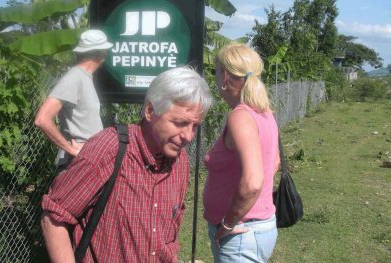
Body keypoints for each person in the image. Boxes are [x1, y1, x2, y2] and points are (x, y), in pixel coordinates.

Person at [40, 66, 212, 263]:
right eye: (179, 123)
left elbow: (169, 234)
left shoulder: (180, 163)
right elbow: (54, 216)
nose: (188, 136)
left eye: (195, 126)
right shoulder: (110, 149)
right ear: (149, 111)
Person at [203, 43, 280, 262]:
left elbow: (254, 182)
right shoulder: (264, 113)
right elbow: (272, 163)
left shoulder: (241, 117)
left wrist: (228, 223)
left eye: (216, 72)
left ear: (225, 76)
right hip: (255, 229)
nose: (216, 78)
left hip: (240, 233)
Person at [35, 29, 112, 172]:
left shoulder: (84, 77)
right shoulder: (74, 78)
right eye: (105, 50)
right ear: (100, 54)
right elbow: (42, 119)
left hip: (88, 160)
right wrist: (72, 150)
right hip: (76, 164)